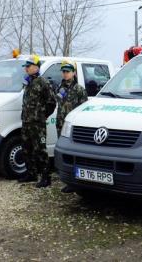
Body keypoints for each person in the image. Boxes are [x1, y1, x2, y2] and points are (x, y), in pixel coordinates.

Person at [19, 55, 56, 188]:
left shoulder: (43, 82)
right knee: (27, 149)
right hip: (27, 122)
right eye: (26, 67)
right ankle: (31, 174)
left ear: (36, 67)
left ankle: (46, 178)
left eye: (28, 66)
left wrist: (42, 115)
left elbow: (52, 102)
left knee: (40, 150)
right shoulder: (28, 83)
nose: (26, 69)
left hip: (37, 124)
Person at [56, 60, 88, 193]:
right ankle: (66, 178)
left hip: (73, 128)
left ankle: (75, 182)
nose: (65, 74)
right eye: (63, 71)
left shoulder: (79, 89)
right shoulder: (59, 87)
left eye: (67, 71)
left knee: (74, 154)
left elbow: (84, 109)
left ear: (73, 73)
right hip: (60, 125)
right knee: (63, 153)